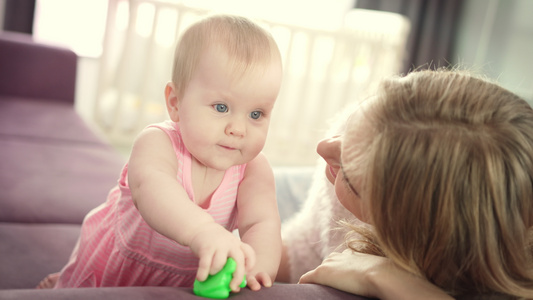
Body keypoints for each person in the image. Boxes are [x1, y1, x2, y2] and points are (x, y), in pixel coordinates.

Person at [38, 14, 283, 292]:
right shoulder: (158, 142)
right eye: (221, 107)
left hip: (185, 278)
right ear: (175, 103)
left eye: (256, 114)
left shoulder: (253, 169)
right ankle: (65, 280)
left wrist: (257, 266)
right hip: (122, 264)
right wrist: (203, 230)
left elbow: (261, 223)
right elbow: (152, 188)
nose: (238, 129)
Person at [284, 69, 533, 299]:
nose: (323, 147)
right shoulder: (372, 134)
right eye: (350, 125)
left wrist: (387, 279)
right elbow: (306, 243)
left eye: (347, 176)